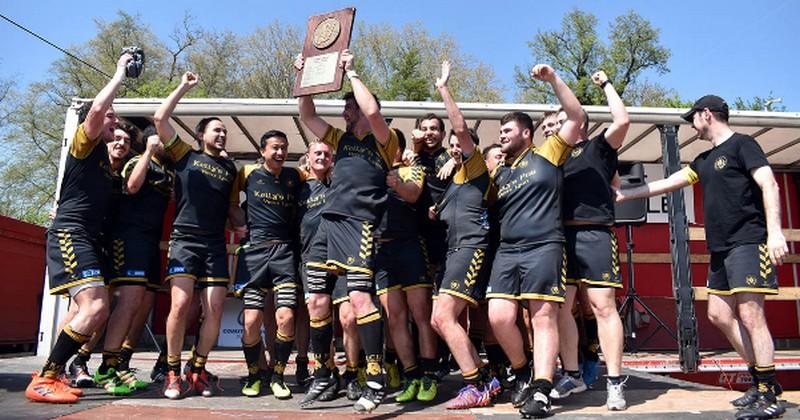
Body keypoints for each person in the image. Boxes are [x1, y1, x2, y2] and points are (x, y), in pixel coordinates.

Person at [617, 94, 788, 420]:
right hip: (721, 249)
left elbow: (769, 184)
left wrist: (776, 231)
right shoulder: (704, 160)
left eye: (692, 118)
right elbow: (669, 182)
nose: (691, 125)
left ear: (706, 114)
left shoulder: (743, 144)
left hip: (749, 242)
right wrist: (625, 193)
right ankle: (760, 379)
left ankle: (768, 391)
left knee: (752, 316)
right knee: (720, 315)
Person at [26, 52, 134, 404]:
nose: (114, 122)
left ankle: (52, 373)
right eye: (110, 117)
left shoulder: (106, 163)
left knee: (78, 311)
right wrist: (119, 73)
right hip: (70, 233)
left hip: (86, 237)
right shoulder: (84, 144)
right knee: (96, 308)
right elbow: (97, 111)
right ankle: (46, 378)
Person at [296, 49, 399, 413]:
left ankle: (374, 376)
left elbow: (372, 111)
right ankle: (323, 375)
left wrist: (352, 72)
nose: (345, 112)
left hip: (359, 225)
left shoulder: (385, 140)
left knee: (358, 301)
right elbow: (306, 114)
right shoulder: (341, 141)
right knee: (317, 302)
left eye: (348, 107)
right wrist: (305, 80)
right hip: (328, 223)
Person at [486, 64, 584, 418]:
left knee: (542, 317)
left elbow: (576, 115)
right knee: (498, 317)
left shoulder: (548, 152)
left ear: (527, 133)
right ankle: (522, 369)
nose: (502, 135)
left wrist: (554, 79)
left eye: (507, 130)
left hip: (544, 246)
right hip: (508, 251)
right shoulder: (501, 171)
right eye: (500, 132)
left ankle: (542, 389)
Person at [153, 71, 238, 399]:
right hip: (185, 239)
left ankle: (197, 369)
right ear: (202, 134)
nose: (223, 134)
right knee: (182, 304)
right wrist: (184, 87)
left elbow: (232, 210)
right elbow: (160, 117)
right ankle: (172, 371)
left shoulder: (230, 168)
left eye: (225, 131)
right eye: (217, 129)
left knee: (215, 308)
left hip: (215, 243)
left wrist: (242, 221)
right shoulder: (185, 156)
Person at [550, 70, 630, 412]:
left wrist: (606, 84)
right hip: (560, 237)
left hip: (594, 232)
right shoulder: (553, 157)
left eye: (557, 120)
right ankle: (572, 374)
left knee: (602, 307)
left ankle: (614, 383)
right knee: (559, 309)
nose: (552, 128)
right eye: (548, 125)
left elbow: (623, 119)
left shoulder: (599, 147)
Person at [428, 60, 499, 409]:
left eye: (461, 141)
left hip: (471, 248)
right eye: (454, 145)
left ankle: (475, 386)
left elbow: (457, 125)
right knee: (438, 319)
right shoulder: (454, 179)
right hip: (453, 251)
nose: (456, 145)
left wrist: (443, 88)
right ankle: (484, 378)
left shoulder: (475, 168)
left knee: (442, 317)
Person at [229, 130, 303, 399]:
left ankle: (278, 375)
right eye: (275, 148)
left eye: (284, 148)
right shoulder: (246, 172)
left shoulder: (296, 176)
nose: (280, 153)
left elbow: (317, 176)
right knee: (251, 321)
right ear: (262, 151)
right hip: (255, 254)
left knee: (286, 318)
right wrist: (238, 223)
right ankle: (253, 374)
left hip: (284, 253)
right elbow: (230, 200)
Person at [374, 130, 439, 403]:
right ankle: (411, 376)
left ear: (398, 148)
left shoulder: (412, 169)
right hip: (381, 251)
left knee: (421, 316)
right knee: (396, 318)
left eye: (389, 145)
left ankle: (429, 375)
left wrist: (396, 181)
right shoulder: (372, 172)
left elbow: (413, 195)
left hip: (410, 246)